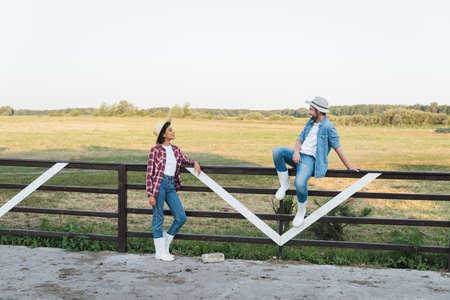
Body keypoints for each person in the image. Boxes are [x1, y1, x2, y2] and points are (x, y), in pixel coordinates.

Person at [272, 96, 360, 227]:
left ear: (319, 111)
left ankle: (301, 210)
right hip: (298, 155)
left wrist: (349, 166)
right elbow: (299, 140)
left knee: (300, 183)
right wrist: (296, 152)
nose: (309, 112)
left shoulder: (329, 127)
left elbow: (338, 148)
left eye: (311, 109)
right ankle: (284, 185)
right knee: (277, 151)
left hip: (309, 160)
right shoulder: (310, 123)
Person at [146, 117, 201, 261]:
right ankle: (160, 253)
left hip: (171, 185)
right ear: (163, 134)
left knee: (181, 217)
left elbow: (186, 161)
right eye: (170, 130)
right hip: (159, 185)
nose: (173, 131)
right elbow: (149, 174)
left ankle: (164, 246)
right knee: (158, 217)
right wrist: (150, 194)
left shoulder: (175, 149)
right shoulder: (155, 150)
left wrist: (195, 162)